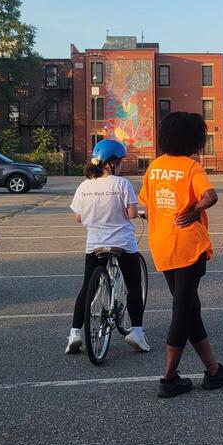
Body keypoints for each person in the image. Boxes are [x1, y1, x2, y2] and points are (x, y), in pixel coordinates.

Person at [139, 112, 223, 398]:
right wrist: (195, 208)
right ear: (193, 138)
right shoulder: (191, 167)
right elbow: (211, 196)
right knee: (182, 311)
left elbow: (146, 203)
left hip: (162, 247)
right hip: (187, 248)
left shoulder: (154, 167)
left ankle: (213, 371)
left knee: (190, 308)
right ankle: (169, 378)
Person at [66, 138, 149, 354]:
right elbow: (131, 214)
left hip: (95, 244)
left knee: (87, 288)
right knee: (133, 286)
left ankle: (75, 333)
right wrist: (137, 213)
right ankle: (137, 333)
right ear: (111, 163)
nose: (121, 165)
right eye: (120, 161)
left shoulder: (84, 185)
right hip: (122, 243)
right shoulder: (122, 184)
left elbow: (78, 217)